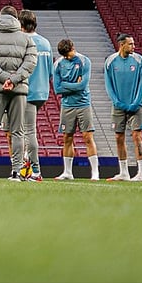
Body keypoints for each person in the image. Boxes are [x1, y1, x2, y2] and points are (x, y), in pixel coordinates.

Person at [0, 5, 37, 181]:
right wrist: (14, 79)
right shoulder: (26, 39)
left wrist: (3, 78)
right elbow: (31, 62)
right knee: (18, 131)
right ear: (16, 18)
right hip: (18, 90)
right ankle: (17, 172)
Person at [52, 38, 99, 180]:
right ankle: (67, 172)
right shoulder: (58, 64)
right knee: (67, 137)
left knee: (87, 137)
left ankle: (95, 172)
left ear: (73, 48)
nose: (66, 57)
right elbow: (57, 89)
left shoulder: (84, 61)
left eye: (68, 54)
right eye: (64, 55)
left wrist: (65, 85)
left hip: (83, 104)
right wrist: (72, 85)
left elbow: (83, 86)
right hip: (67, 106)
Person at [104, 33, 142, 181]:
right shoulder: (110, 61)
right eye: (130, 44)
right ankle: (124, 172)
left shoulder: (139, 60)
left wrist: (136, 101)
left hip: (136, 105)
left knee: (137, 136)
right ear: (121, 45)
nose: (134, 47)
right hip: (118, 106)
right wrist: (116, 102)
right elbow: (108, 84)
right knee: (118, 137)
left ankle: (141, 172)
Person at [19, 9, 53, 181]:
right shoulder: (46, 42)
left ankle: (36, 171)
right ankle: (26, 165)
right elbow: (50, 72)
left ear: (21, 24)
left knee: (28, 132)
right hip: (42, 91)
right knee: (26, 131)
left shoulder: (24, 41)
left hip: (28, 91)